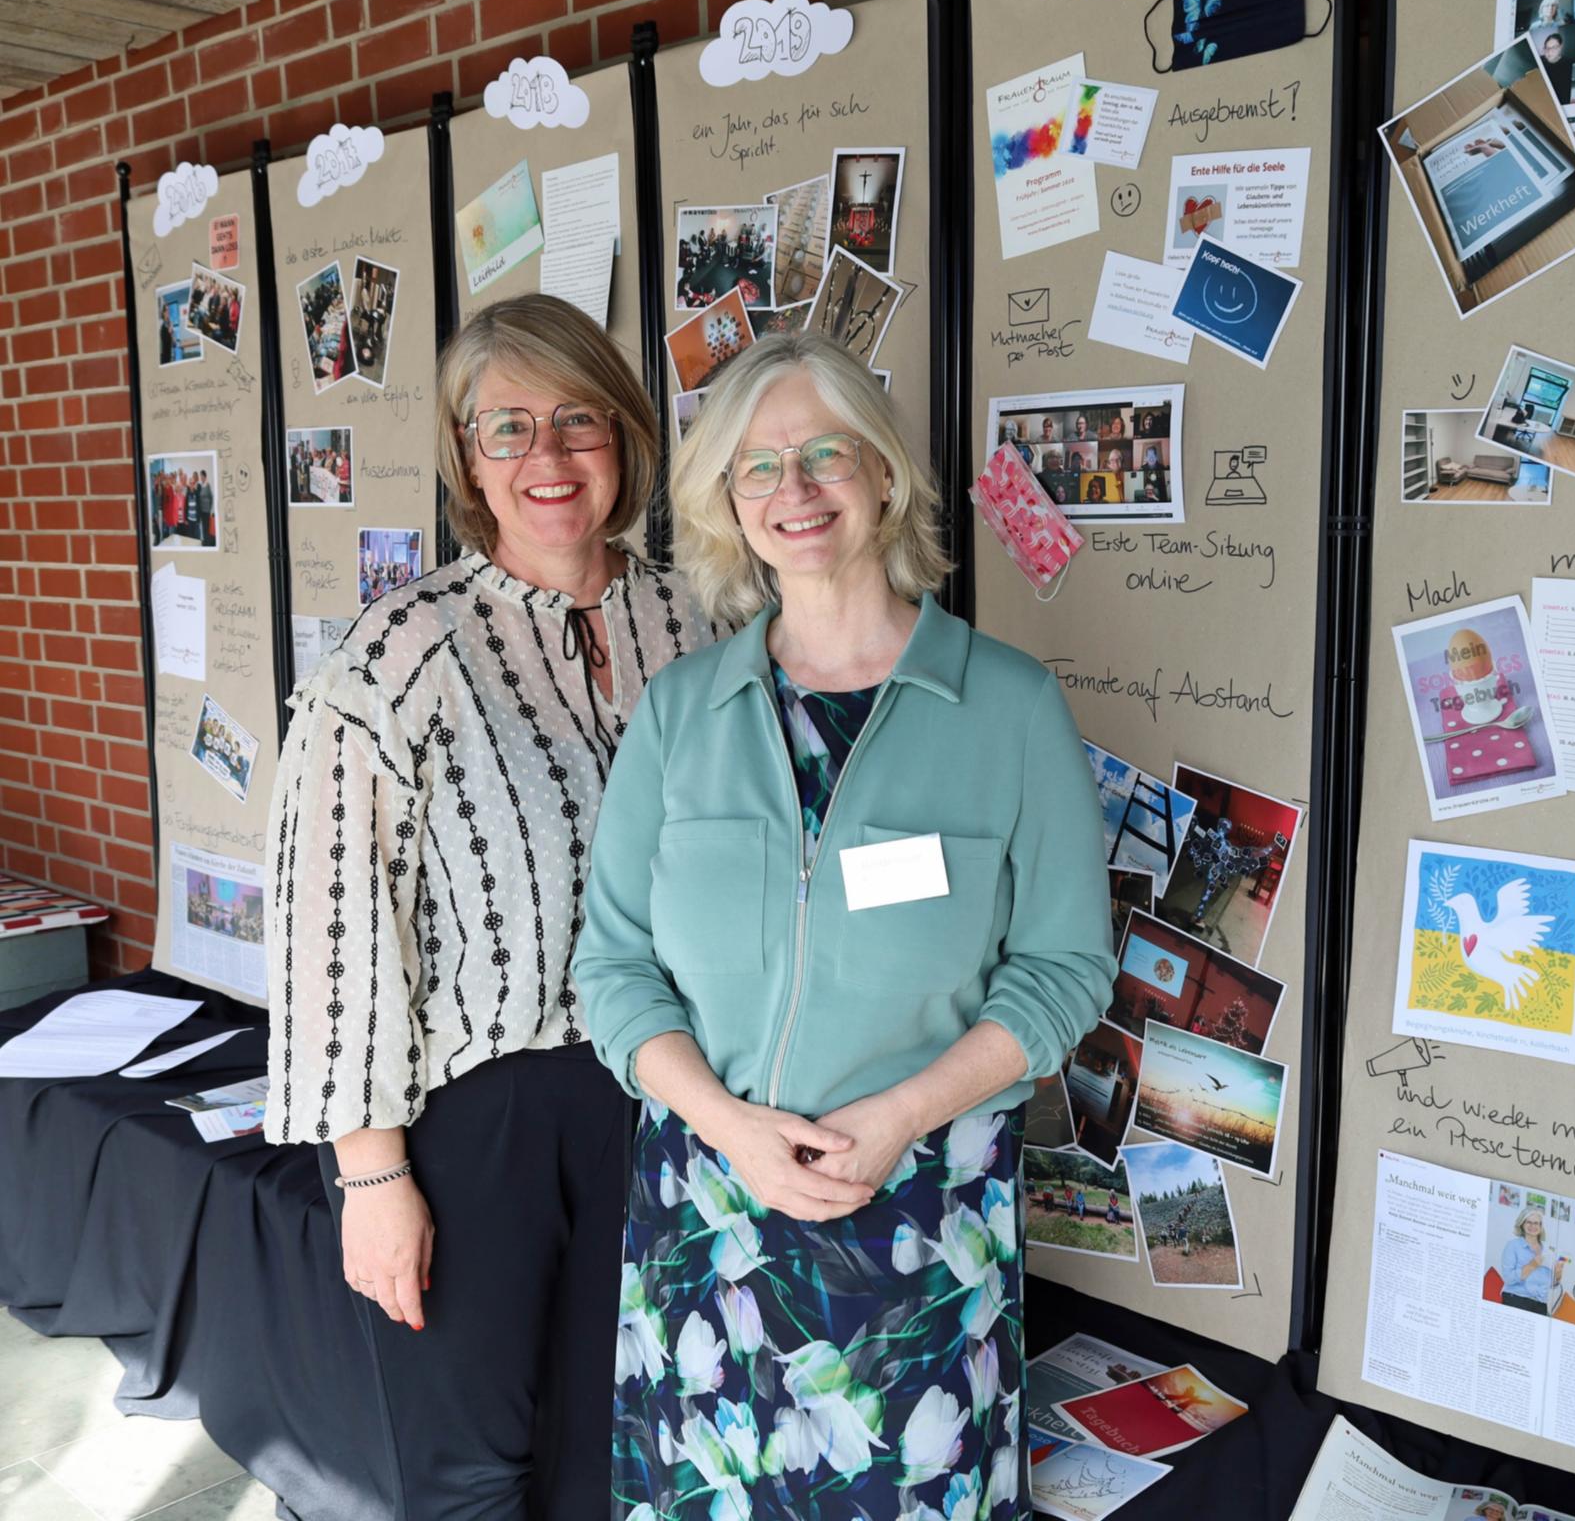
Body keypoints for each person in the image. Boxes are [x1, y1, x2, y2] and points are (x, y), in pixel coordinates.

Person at [577, 331, 1115, 1520]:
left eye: (825, 453)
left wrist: (899, 1115)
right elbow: (613, 970)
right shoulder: (676, 715)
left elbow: (1068, 969)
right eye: (758, 468)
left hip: (918, 1215)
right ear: (727, 504)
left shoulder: (1010, 708)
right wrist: (725, 1125)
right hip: (707, 1210)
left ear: (884, 474)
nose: (795, 490)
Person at [262, 293, 711, 1519]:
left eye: (577, 420)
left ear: (624, 435)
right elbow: (332, 926)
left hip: (671, 1102)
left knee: (624, 1440)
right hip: (482, 1121)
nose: (548, 458)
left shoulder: (700, 624)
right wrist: (368, 1180)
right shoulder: (399, 653)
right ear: (465, 458)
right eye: (505, 429)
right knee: (466, 1468)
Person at [1498, 1206, 1563, 1316]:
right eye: (1529, 1222)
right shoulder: (1513, 1246)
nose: (1533, 1226)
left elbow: (1552, 1284)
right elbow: (1508, 1278)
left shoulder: (1548, 1250)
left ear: (1541, 1226)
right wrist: (1532, 1265)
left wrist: (1558, 1275)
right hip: (1516, 1299)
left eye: (1536, 1223)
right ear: (1522, 1224)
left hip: (1540, 1304)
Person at [1538, 31, 1573, 102]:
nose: (1549, 52)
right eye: (1547, 48)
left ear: (1560, 47)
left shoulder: (1568, 63)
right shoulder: (1539, 61)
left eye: (1553, 48)